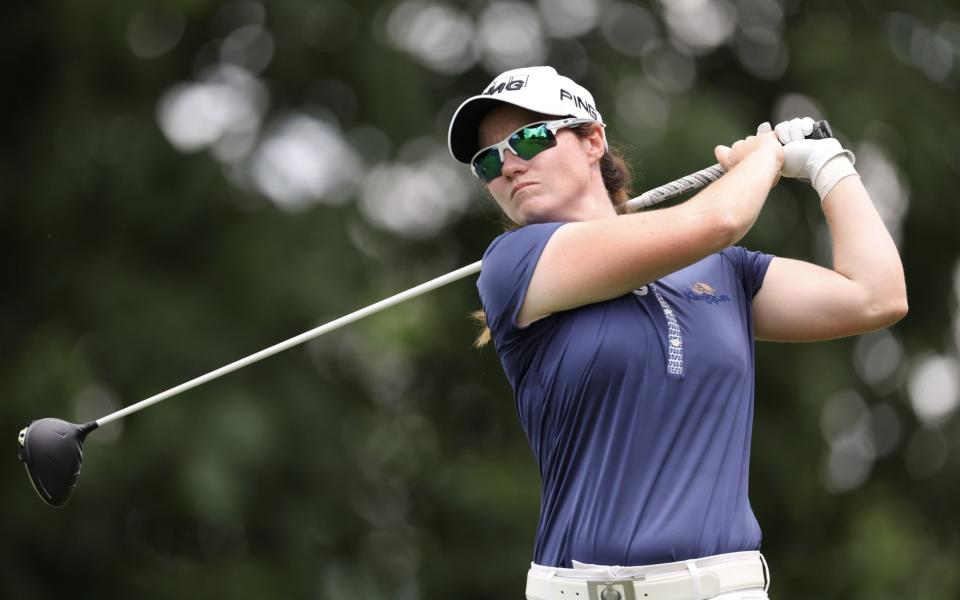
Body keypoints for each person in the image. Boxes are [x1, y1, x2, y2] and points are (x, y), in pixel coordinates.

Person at [446, 66, 908, 600]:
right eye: (488, 159)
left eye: (528, 137)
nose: (508, 164)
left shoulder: (725, 270)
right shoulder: (513, 264)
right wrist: (762, 160)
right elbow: (719, 219)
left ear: (592, 140)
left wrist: (827, 164)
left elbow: (878, 295)